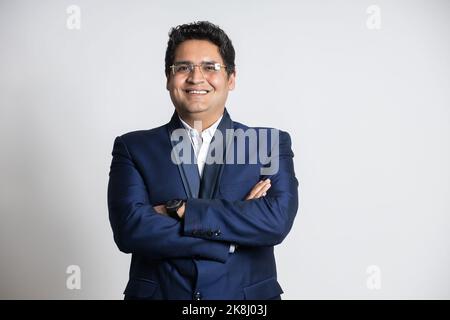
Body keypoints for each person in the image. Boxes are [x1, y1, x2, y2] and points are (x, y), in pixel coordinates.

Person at [107, 21, 299, 300]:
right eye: (183, 67)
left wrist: (182, 210)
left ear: (231, 78)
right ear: (167, 77)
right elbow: (130, 229)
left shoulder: (268, 144)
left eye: (210, 67)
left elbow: (275, 222)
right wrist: (231, 235)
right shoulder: (133, 147)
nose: (196, 78)